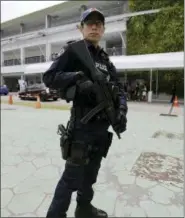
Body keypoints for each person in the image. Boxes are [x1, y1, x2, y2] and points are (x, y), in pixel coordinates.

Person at [43, 8, 128, 218]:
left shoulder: (107, 61)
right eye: (89, 23)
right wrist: (78, 79)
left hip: (102, 128)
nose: (94, 26)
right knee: (71, 178)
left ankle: (83, 208)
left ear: (103, 29)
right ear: (81, 28)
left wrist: (122, 112)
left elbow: (120, 89)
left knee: (90, 175)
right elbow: (50, 77)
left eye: (99, 23)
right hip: (82, 127)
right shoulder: (73, 51)